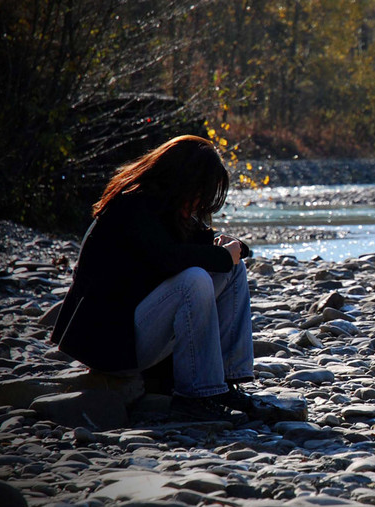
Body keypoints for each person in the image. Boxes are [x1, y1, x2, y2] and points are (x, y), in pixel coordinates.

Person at [51, 135, 261, 421]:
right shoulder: (132, 206)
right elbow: (167, 259)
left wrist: (232, 248)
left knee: (232, 268)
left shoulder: (165, 207)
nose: (200, 202)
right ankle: (200, 394)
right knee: (195, 279)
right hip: (111, 344)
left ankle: (226, 379)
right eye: (199, 193)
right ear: (181, 181)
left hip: (135, 331)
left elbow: (204, 243)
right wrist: (222, 254)